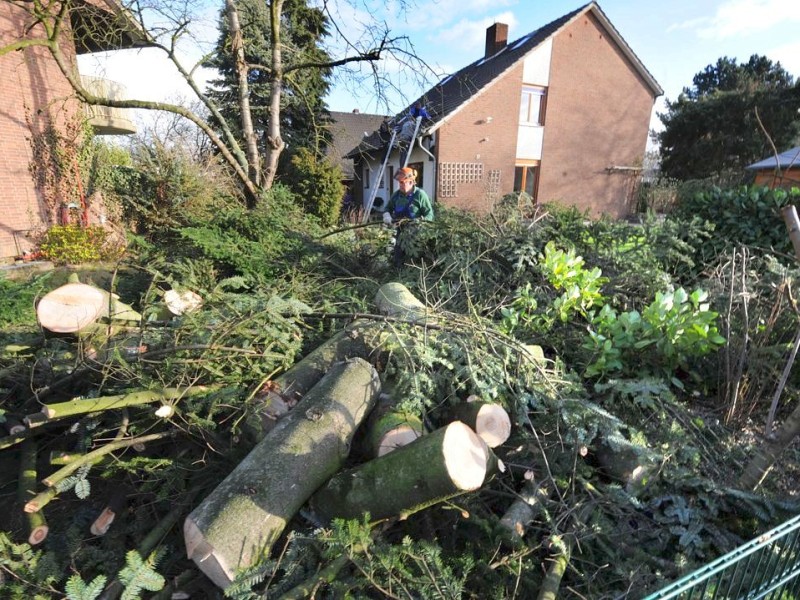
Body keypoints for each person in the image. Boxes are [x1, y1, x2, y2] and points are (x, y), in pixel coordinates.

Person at [383, 167, 433, 266]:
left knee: (415, 259)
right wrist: (387, 216)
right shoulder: (396, 196)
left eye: (403, 182)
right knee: (398, 258)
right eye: (400, 183)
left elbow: (429, 214)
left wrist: (423, 222)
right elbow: (387, 208)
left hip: (416, 233)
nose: (401, 185)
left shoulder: (420, 195)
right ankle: (398, 274)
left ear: (411, 181)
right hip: (401, 233)